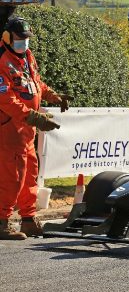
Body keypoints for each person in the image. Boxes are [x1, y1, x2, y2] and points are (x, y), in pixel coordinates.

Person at [0, 16, 74, 240]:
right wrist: (34, 117)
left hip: (25, 132)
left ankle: (29, 219)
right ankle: (2, 222)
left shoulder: (26, 57)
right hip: (8, 130)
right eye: (20, 40)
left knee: (30, 175)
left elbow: (36, 84)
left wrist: (54, 96)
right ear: (7, 38)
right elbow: (6, 99)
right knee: (10, 177)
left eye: (26, 40)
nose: (24, 43)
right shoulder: (1, 60)